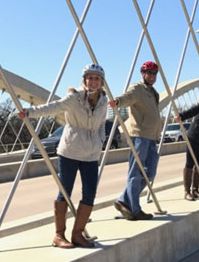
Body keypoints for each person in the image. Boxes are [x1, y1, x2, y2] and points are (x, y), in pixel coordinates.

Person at [18, 64, 107, 248]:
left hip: (91, 153)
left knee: (90, 192)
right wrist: (29, 112)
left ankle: (78, 234)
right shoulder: (74, 98)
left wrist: (101, 141)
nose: (93, 81)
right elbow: (53, 107)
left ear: (101, 82)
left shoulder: (103, 101)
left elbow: (101, 125)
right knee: (65, 191)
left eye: (96, 78)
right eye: (90, 78)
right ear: (84, 80)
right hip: (70, 151)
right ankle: (59, 235)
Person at [109, 61, 161, 221]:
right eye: (149, 73)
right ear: (142, 73)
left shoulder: (153, 92)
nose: (151, 76)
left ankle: (124, 199)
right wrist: (117, 102)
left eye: (154, 73)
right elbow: (127, 97)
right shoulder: (137, 88)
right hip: (140, 136)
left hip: (152, 137)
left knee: (149, 173)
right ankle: (135, 208)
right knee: (135, 172)